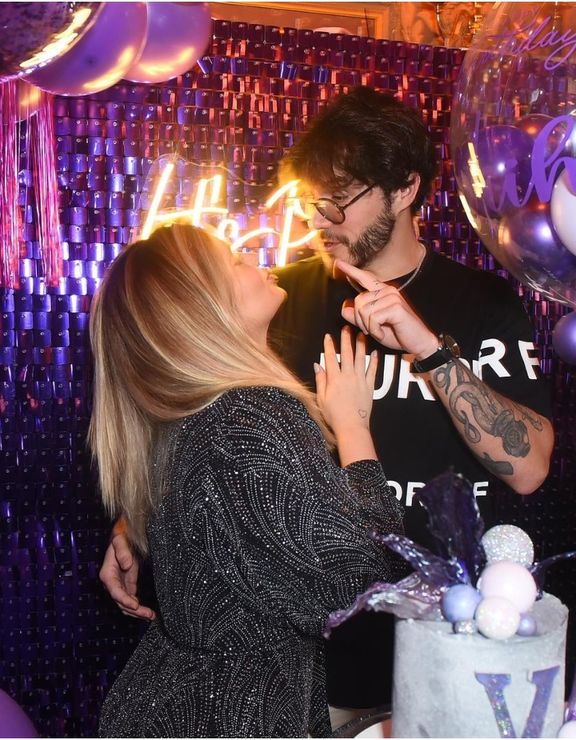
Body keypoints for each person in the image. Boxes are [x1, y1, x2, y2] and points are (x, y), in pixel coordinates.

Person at [99, 87, 554, 719]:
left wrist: (427, 349)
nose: (320, 219)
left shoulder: (483, 304)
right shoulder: (272, 301)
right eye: (313, 198)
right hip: (308, 670)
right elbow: (199, 435)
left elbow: (529, 469)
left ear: (404, 190)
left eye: (339, 199)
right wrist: (139, 520)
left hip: (445, 645)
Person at [92, 224, 403, 737]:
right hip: (228, 716)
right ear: (203, 304)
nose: (258, 259)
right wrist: (353, 425)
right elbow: (365, 585)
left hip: (172, 703)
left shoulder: (195, 416)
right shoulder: (247, 415)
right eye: (235, 259)